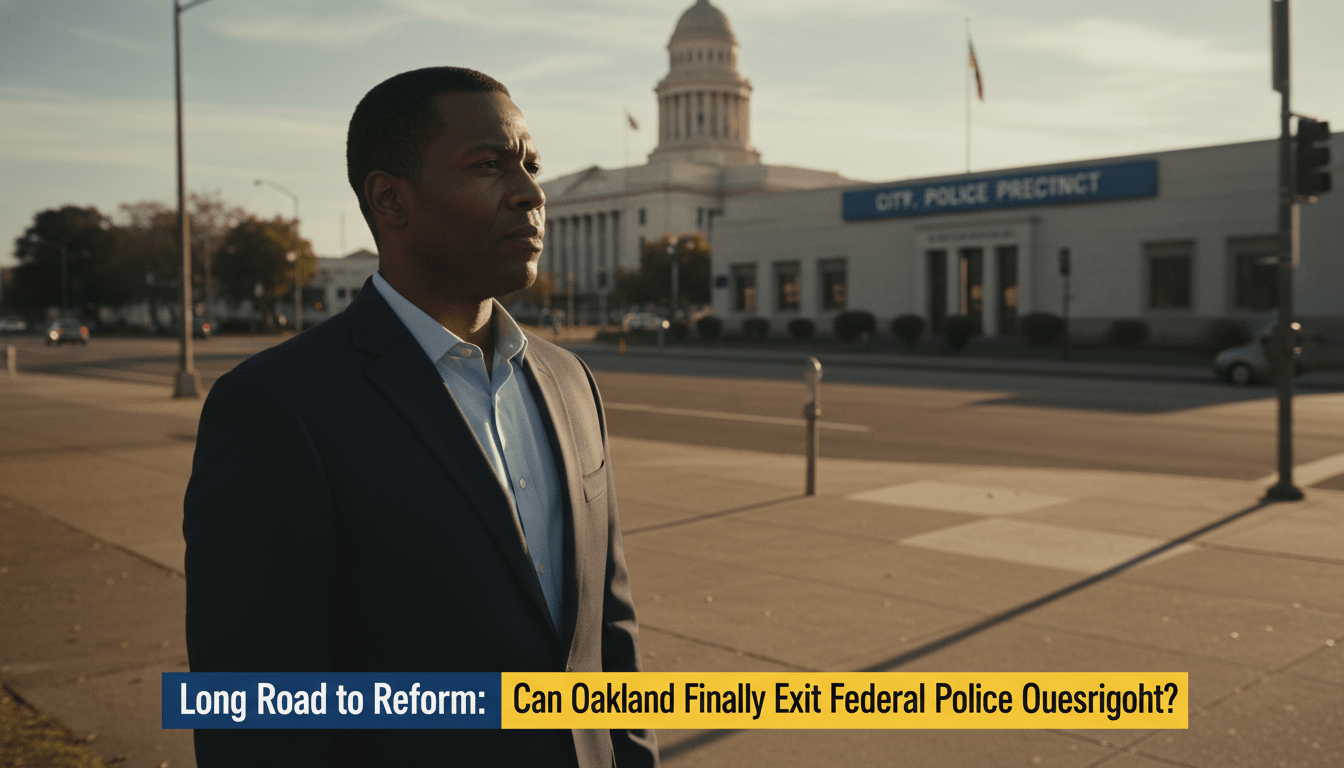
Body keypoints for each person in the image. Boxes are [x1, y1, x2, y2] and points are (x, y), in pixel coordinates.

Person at [183, 66, 657, 768]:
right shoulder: (278, 407)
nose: (531, 193)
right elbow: (256, 714)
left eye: (530, 165)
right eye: (489, 165)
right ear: (390, 200)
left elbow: (608, 634)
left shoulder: (570, 383)